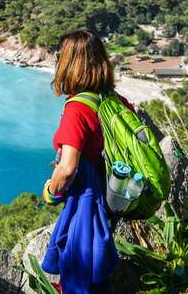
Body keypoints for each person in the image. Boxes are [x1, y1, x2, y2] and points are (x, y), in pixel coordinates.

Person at [40, 29, 133, 294]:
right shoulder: (117, 102)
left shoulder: (77, 109)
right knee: (96, 278)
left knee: (79, 278)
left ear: (68, 63)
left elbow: (68, 168)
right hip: (111, 199)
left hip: (86, 201)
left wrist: (51, 191)